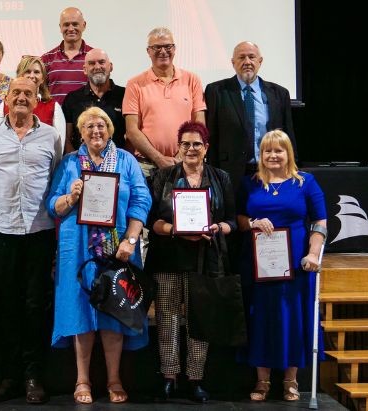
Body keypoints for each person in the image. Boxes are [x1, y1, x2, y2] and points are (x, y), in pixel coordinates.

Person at [47, 107, 150, 404]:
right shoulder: (68, 164)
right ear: (80, 132)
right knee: (80, 311)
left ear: (110, 130)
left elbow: (142, 201)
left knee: (114, 311)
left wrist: (131, 240)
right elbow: (52, 205)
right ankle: (82, 379)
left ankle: (114, 378)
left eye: (102, 125)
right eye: (89, 126)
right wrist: (71, 197)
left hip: (118, 247)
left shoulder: (127, 162)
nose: (96, 131)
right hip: (77, 248)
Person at [0, 78, 62, 404]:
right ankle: (9, 377)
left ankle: (33, 376)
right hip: (2, 230)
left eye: (29, 93)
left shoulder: (51, 136)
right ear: (7, 97)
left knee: (34, 307)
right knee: (8, 306)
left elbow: (54, 173)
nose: (23, 98)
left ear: (37, 98)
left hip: (39, 231)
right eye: (17, 93)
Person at [145, 121, 236, 403]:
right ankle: (169, 377)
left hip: (206, 258)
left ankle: (196, 378)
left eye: (197, 144)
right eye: (185, 144)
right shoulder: (164, 177)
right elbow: (152, 220)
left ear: (206, 148)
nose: (191, 149)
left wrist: (216, 228)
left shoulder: (221, 178)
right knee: (168, 319)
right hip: (169, 256)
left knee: (200, 319)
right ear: (178, 147)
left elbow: (232, 220)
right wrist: (174, 229)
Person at [236, 130, 326, 402]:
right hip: (259, 264)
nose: (273, 156)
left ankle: (290, 381)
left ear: (289, 153)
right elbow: (239, 218)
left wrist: (313, 253)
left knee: (293, 318)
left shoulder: (306, 183)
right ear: (260, 154)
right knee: (260, 317)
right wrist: (252, 223)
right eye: (267, 151)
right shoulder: (250, 184)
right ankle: (262, 381)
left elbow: (320, 222)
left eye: (279, 150)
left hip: (297, 264)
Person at [205, 41, 296, 192]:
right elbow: (212, 135)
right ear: (233, 63)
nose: (247, 62)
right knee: (235, 215)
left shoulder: (279, 93)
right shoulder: (217, 91)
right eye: (241, 57)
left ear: (260, 61)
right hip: (230, 172)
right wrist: (212, 174)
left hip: (270, 170)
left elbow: (288, 135)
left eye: (251, 57)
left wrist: (292, 168)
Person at [123, 27, 206, 176]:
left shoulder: (192, 80)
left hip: (186, 163)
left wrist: (182, 156)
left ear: (174, 49)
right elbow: (131, 130)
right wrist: (159, 158)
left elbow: (199, 125)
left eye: (168, 46)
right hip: (146, 167)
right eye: (156, 47)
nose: (163, 51)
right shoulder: (134, 84)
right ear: (148, 51)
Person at [0, 56, 66, 151]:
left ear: (42, 78)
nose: (32, 76)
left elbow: (59, 146)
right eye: (27, 71)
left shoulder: (53, 106)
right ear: (20, 75)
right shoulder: (5, 104)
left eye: (36, 72)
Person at [62, 48, 125, 152]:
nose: (97, 67)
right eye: (91, 63)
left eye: (101, 62)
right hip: (82, 165)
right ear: (85, 69)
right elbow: (66, 139)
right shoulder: (72, 99)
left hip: (118, 165)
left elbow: (132, 135)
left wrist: (124, 161)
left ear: (111, 66)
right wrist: (75, 162)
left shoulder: (125, 95)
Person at [41, 7, 93, 104]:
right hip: (55, 118)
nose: (70, 28)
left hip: (86, 117)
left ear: (84, 25)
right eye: (66, 25)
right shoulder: (46, 59)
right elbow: (41, 93)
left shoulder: (94, 57)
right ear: (60, 27)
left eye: (75, 24)